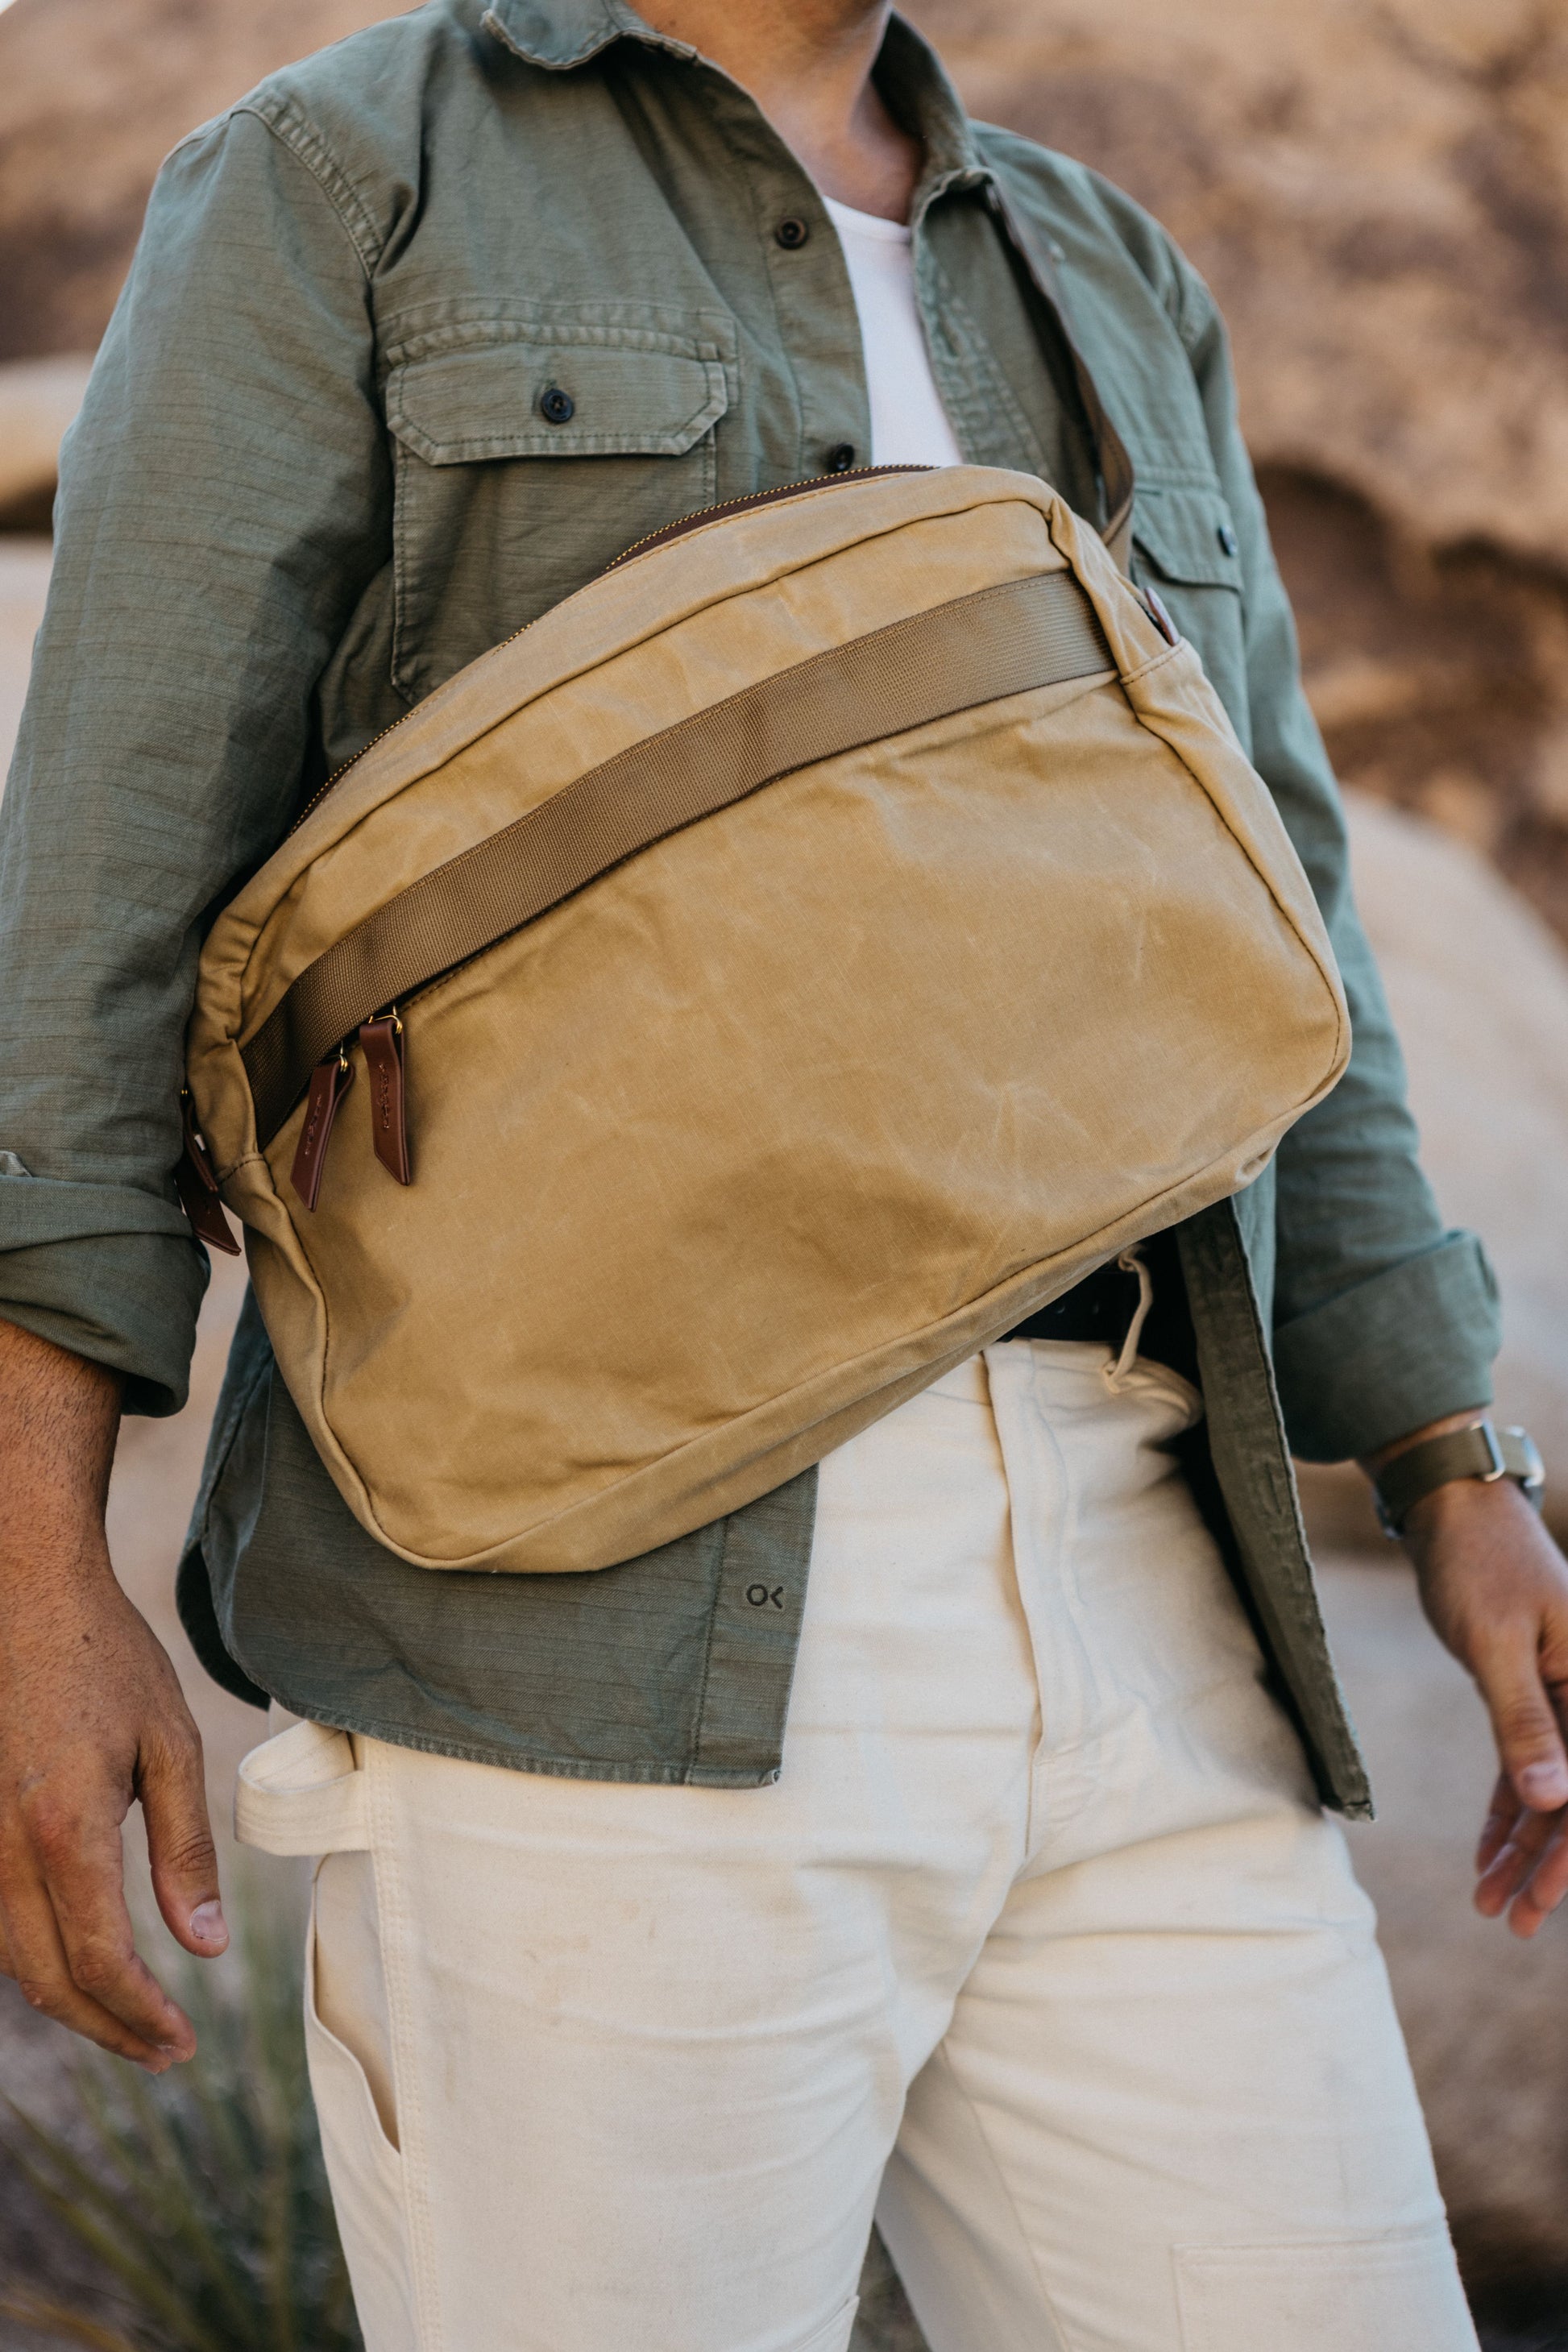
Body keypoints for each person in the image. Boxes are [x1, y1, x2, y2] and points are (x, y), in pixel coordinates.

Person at [1, 2, 1565, 2346]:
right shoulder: (345, 178)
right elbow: (99, 906)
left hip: (1151, 1595)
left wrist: (1452, 1470)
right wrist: (35, 1573)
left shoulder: (1100, 265)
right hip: (585, 1629)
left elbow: (1280, 954)